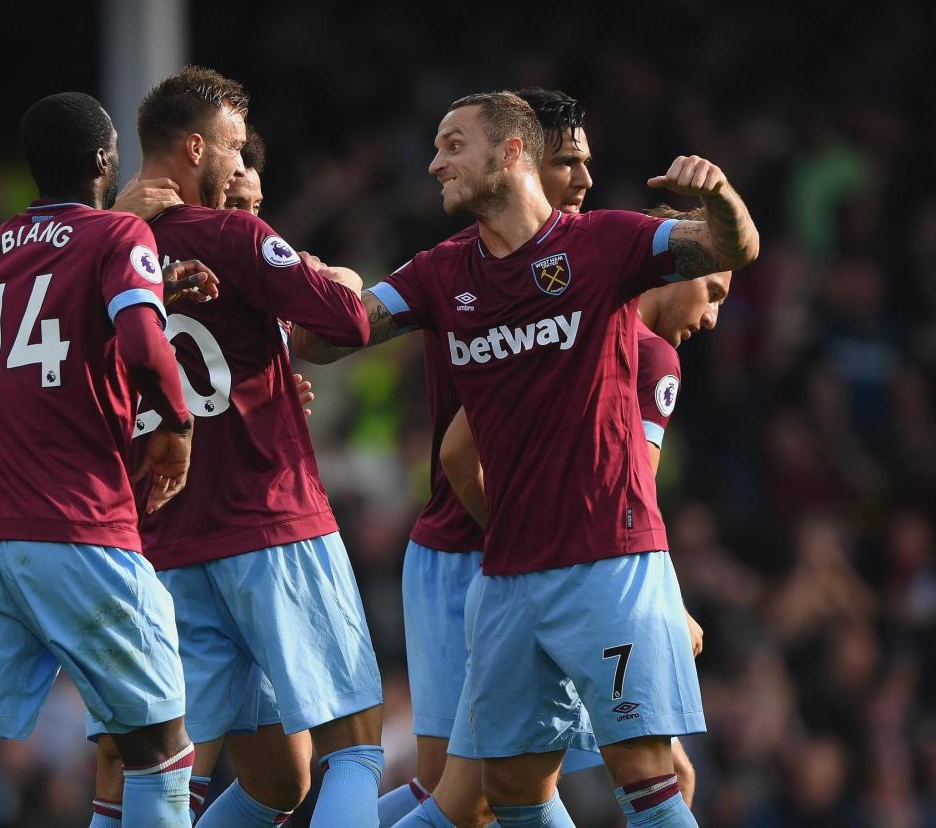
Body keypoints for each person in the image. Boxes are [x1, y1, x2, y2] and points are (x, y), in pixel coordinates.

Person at [303, 90, 758, 827]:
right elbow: (337, 332)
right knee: (508, 789)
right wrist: (299, 283)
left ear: (511, 153)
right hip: (505, 577)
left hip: (605, 561)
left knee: (645, 773)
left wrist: (723, 197)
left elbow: (732, 248)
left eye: (454, 145)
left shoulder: (605, 245)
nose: (433, 162)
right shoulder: (441, 272)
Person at [0, 91, 211, 828]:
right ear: (105, 159)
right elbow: (138, 344)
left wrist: (152, 283)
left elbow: (22, 351)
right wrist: (178, 423)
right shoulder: (117, 232)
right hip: (77, 521)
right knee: (161, 755)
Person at [89, 66, 384, 828]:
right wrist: (330, 273)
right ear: (194, 147)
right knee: (353, 749)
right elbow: (349, 322)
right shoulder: (231, 236)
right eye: (231, 148)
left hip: (170, 540)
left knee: (265, 780)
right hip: (271, 522)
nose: (240, 164)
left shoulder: (96, 257)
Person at [436, 203, 732, 820]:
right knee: (657, 779)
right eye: (711, 291)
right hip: (596, 582)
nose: (710, 317)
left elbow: (458, 455)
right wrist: (667, 601)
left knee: (482, 801)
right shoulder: (652, 357)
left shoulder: (558, 326)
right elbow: (636, 490)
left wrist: (521, 531)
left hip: (503, 582)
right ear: (674, 266)